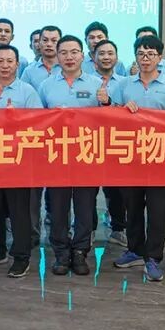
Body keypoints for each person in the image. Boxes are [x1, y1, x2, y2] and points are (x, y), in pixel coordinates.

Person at [110, 34, 165, 282]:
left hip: (161, 156)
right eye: (141, 54)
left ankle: (153, 258)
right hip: (131, 156)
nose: (145, 58)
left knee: (158, 210)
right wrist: (121, 110)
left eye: (150, 54)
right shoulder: (124, 85)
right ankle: (135, 250)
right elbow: (110, 115)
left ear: (160, 58)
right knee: (133, 206)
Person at [38, 35, 105, 277]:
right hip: (57, 156)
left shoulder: (97, 84)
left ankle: (80, 251)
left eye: (74, 52)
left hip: (87, 154)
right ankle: (61, 252)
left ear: (83, 55)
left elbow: (108, 119)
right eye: (64, 53)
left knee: (85, 207)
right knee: (58, 207)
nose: (69, 57)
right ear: (57, 56)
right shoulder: (46, 86)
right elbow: (37, 120)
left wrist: (106, 104)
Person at [0, 44, 40, 278]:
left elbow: (39, 124)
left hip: (18, 162)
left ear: (17, 64)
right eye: (0, 61)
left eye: (9, 61)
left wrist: (17, 121)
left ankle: (21, 256)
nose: (5, 65)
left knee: (19, 212)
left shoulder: (27, 92)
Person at [92, 39, 128, 246]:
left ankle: (118, 228)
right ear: (93, 58)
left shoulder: (125, 83)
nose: (106, 57)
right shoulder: (87, 81)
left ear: (116, 57)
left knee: (116, 190)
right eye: (102, 53)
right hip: (88, 142)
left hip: (115, 143)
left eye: (110, 53)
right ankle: (89, 229)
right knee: (88, 190)